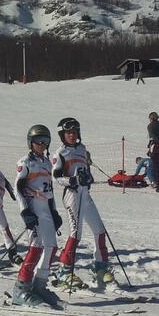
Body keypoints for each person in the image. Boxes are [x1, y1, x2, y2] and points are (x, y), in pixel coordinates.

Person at [52, 117, 114, 289]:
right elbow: (56, 177)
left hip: (85, 195)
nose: (72, 135)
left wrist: (88, 178)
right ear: (62, 134)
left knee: (99, 230)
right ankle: (64, 271)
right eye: (68, 133)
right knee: (76, 234)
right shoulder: (60, 153)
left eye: (74, 132)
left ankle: (101, 267)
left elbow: (86, 171)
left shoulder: (82, 149)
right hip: (72, 196)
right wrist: (73, 180)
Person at [11, 125, 64, 307]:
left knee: (51, 247)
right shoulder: (25, 162)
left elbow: (50, 191)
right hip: (33, 208)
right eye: (38, 141)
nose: (42, 144)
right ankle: (20, 290)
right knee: (36, 248)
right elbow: (18, 188)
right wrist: (25, 211)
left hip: (46, 210)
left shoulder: (47, 163)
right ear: (30, 143)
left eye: (45, 141)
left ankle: (39, 286)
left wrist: (54, 211)